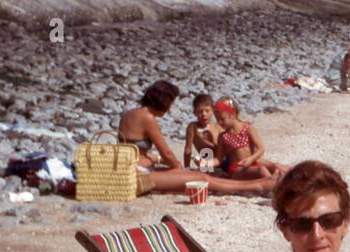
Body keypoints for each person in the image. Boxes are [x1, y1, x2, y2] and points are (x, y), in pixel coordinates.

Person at [118, 81, 278, 195]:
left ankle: (260, 183)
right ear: (163, 102)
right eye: (170, 104)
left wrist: (156, 161)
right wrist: (179, 168)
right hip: (138, 175)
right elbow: (166, 152)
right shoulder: (148, 118)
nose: (169, 109)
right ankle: (257, 186)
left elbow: (132, 149)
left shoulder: (128, 114)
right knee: (200, 178)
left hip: (131, 170)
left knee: (198, 176)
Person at [213, 96, 286, 179]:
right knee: (261, 170)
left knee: (276, 166)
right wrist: (205, 163)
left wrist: (251, 159)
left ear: (233, 115)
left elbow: (261, 149)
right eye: (217, 119)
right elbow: (218, 159)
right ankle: (274, 185)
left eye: (222, 119)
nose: (219, 122)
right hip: (236, 168)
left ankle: (299, 175)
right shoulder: (223, 137)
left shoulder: (248, 129)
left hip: (251, 163)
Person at [182, 93, 223, 171]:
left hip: (220, 161)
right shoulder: (193, 127)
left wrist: (211, 141)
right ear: (195, 113)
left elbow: (223, 149)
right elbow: (188, 149)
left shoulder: (218, 127)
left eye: (207, 111)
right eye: (200, 112)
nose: (204, 114)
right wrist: (187, 167)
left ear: (213, 110)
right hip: (206, 161)